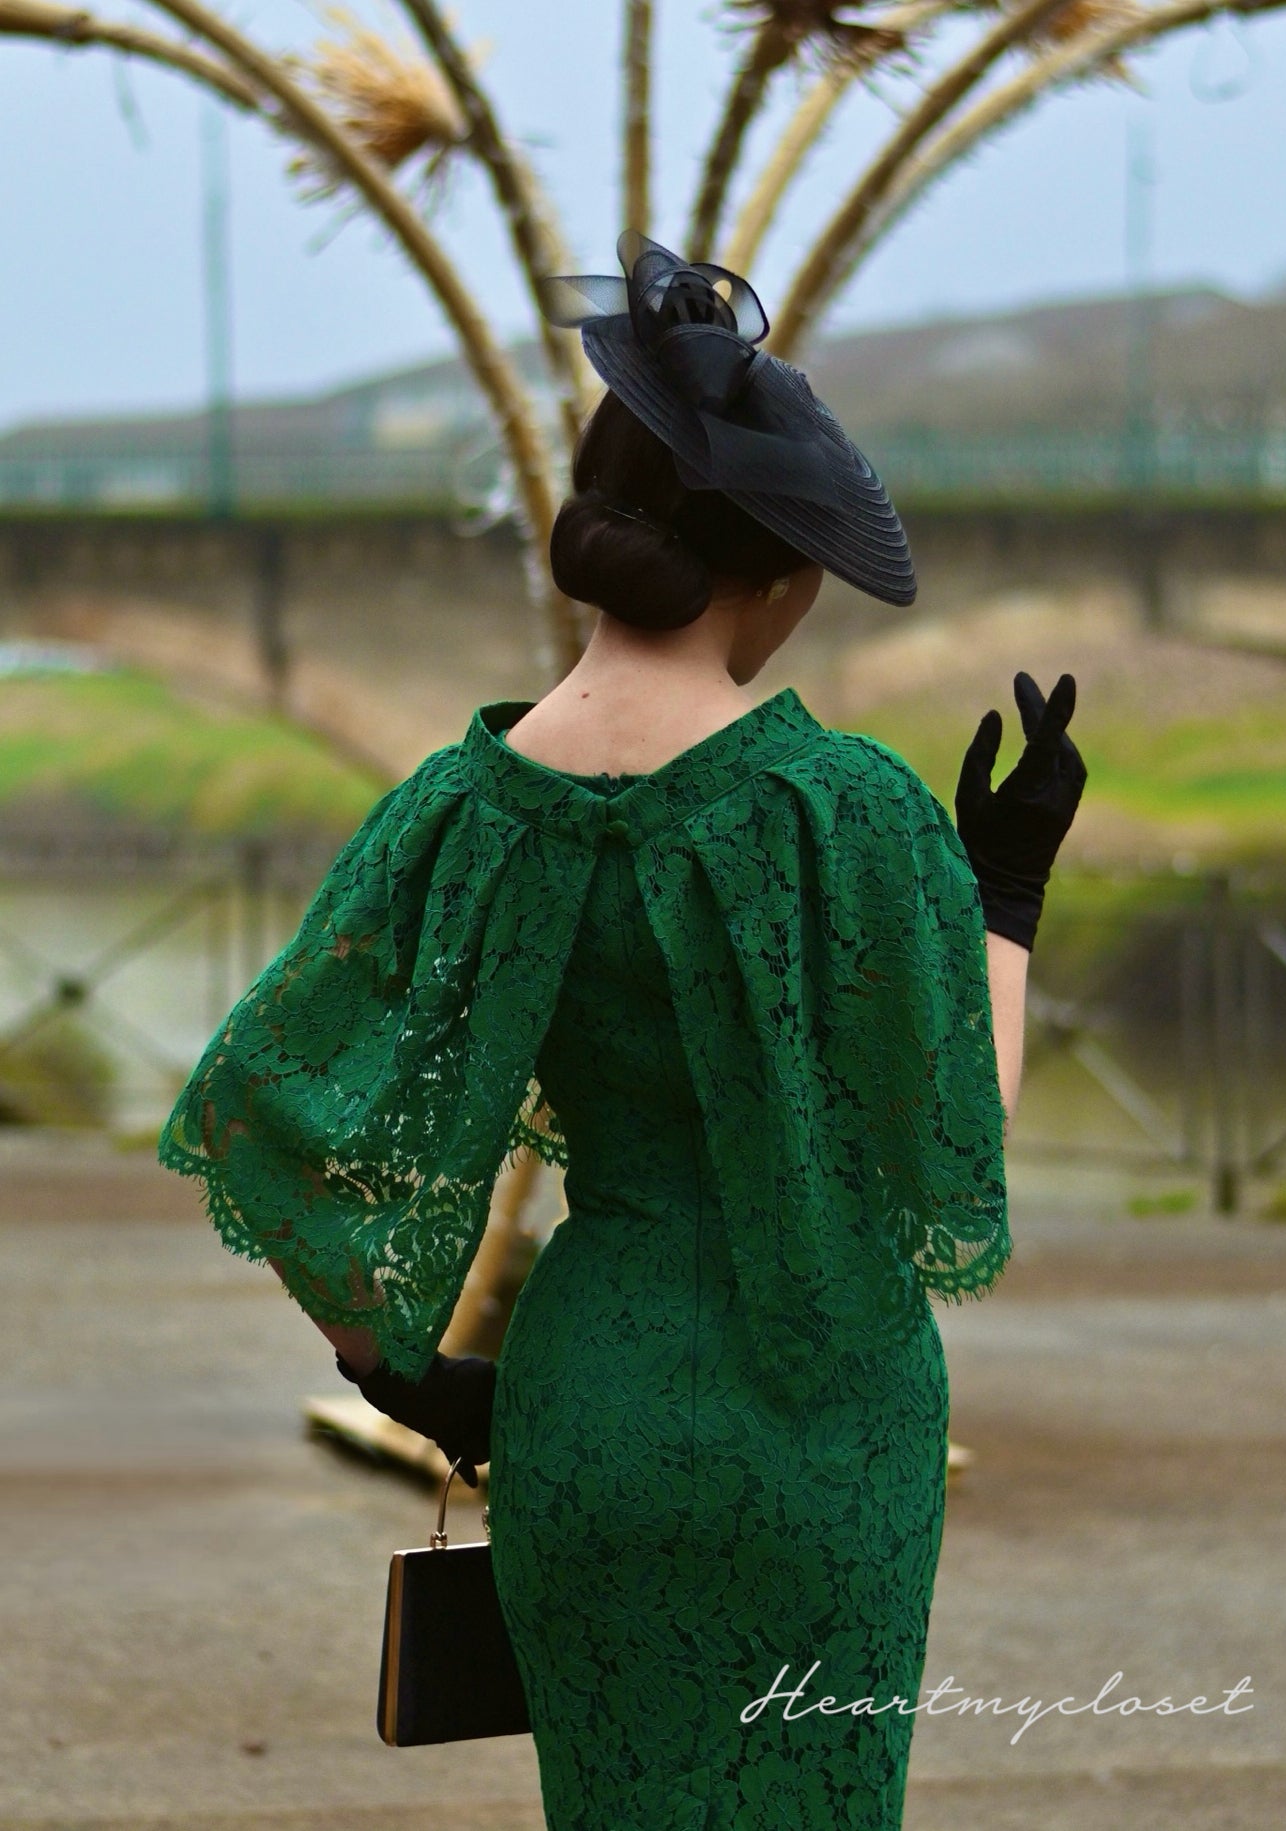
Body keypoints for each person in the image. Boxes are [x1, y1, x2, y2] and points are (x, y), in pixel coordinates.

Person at [158, 232, 1086, 1829]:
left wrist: (404, 1376)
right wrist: (1003, 891)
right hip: (822, 1438)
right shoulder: (841, 811)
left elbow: (277, 1113)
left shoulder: (458, 810)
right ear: (778, 577)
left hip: (584, 1411)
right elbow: (953, 1140)